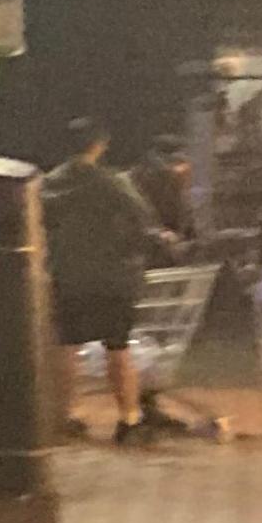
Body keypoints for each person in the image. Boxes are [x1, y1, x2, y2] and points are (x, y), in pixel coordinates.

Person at [43, 118, 164, 439]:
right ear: (99, 144)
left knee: (67, 345)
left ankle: (64, 416)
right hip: (111, 276)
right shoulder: (111, 182)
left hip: (67, 274)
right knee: (117, 346)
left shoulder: (49, 183)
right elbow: (141, 215)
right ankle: (128, 419)